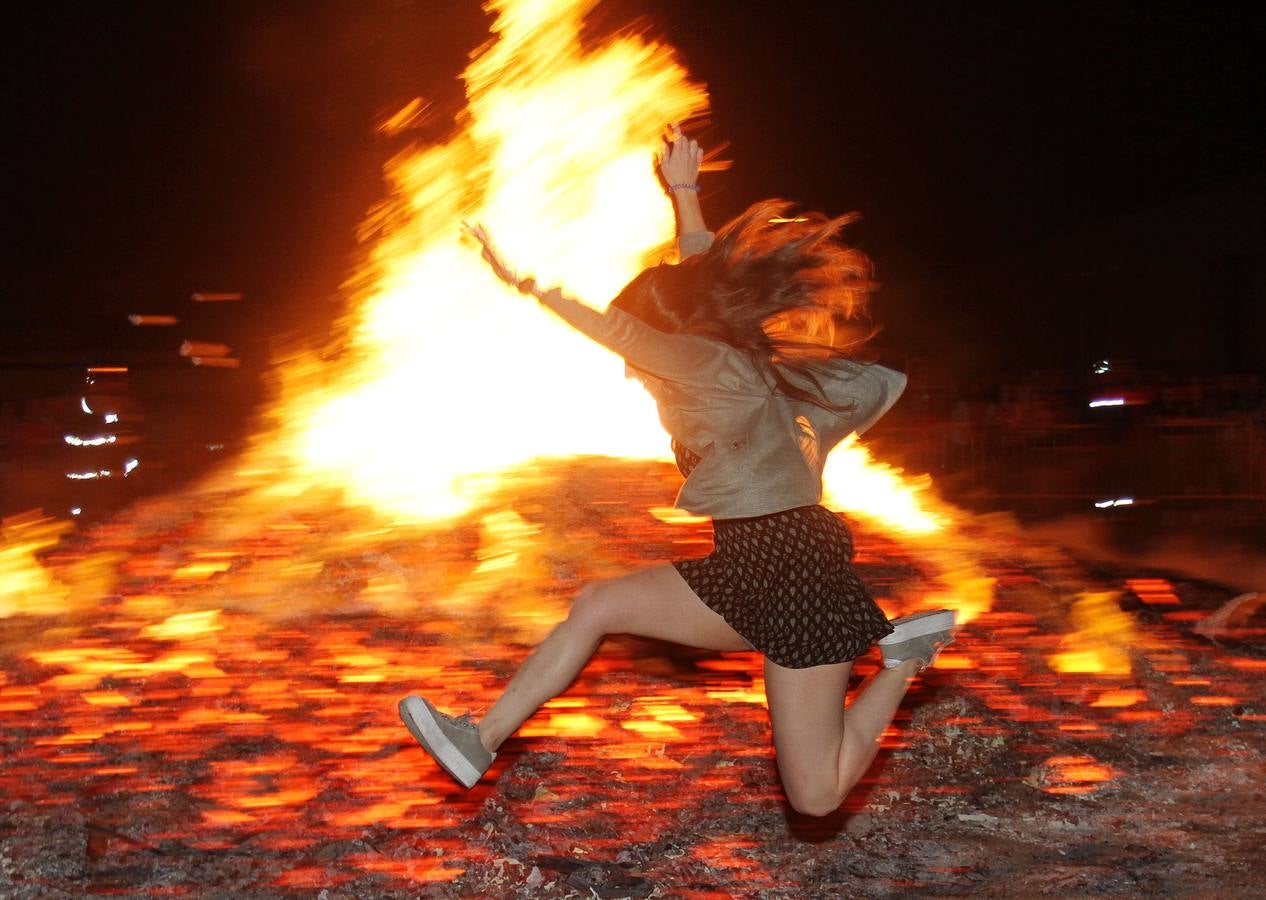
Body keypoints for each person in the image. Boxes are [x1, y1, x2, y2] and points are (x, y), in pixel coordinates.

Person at [399, 128, 956, 817]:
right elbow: (702, 277)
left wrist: (529, 286)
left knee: (816, 797)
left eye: (650, 347)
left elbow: (623, 334)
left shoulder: (707, 367)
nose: (635, 365)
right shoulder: (717, 360)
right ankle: (477, 740)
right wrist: (686, 193)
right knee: (600, 602)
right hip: (747, 564)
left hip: (798, 576)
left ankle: (902, 660)